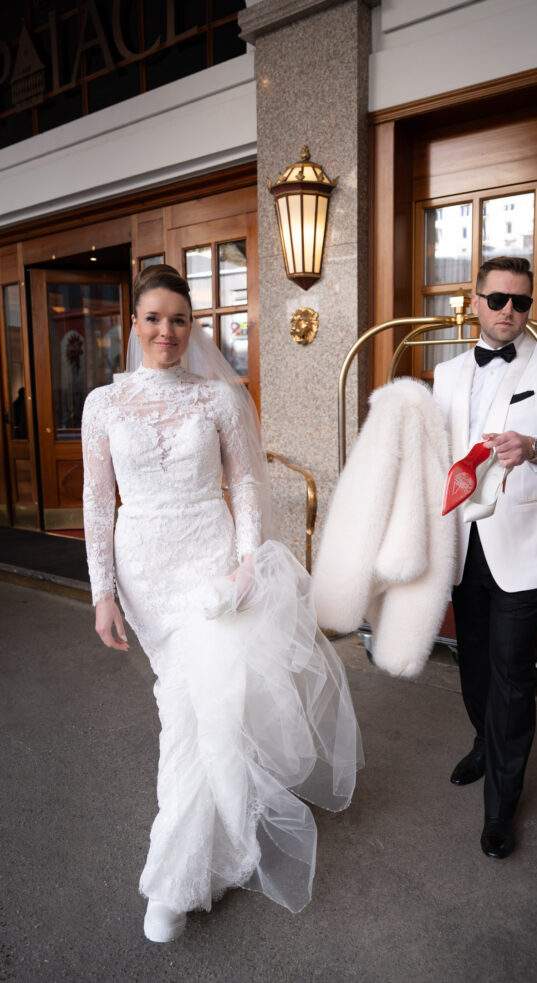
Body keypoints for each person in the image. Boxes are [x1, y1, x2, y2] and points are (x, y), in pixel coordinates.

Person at [82, 264, 362, 942]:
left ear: (192, 327)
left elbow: (245, 485)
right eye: (153, 318)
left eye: (178, 319)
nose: (166, 331)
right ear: (135, 326)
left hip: (211, 568)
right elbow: (96, 500)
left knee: (195, 708)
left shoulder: (216, 399)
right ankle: (228, 828)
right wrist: (102, 592)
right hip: (146, 572)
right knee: (194, 702)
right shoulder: (103, 404)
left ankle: (173, 880)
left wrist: (244, 564)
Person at [433, 256, 537, 860]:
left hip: (522, 543)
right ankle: (483, 741)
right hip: (460, 542)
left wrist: (536, 446)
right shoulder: (446, 373)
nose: (508, 311)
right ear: (473, 302)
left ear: (530, 307)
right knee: (471, 662)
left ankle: (501, 806)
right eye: (497, 299)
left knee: (511, 675)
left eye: (520, 302)